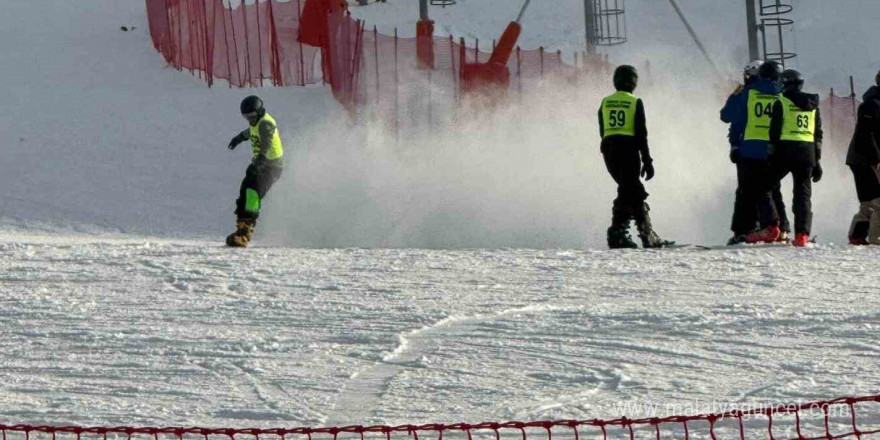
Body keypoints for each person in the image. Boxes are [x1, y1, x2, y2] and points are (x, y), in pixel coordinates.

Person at [598, 65, 673, 249]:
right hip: (628, 150)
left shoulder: (605, 102)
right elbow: (641, 134)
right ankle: (618, 233)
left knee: (632, 191)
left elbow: (602, 130)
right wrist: (647, 161)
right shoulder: (635, 101)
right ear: (633, 82)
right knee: (630, 191)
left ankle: (645, 235)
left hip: (609, 151)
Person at [747, 69, 823, 247]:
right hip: (807, 154)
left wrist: (770, 154)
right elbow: (817, 134)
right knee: (803, 195)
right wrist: (817, 161)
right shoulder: (813, 105)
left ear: (785, 83)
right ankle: (802, 234)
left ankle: (772, 226)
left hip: (785, 151)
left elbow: (774, 132)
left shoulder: (781, 101)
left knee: (762, 185)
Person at [721, 60, 791, 244]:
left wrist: (734, 145)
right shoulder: (783, 94)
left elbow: (728, 116)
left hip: (749, 149)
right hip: (775, 150)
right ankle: (782, 229)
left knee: (746, 191)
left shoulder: (748, 93)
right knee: (773, 189)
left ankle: (745, 230)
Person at [225, 95, 284, 247]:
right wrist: (239, 137)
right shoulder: (257, 122)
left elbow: (266, 142)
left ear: (259, 111)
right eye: (246, 116)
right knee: (245, 191)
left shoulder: (266, 123)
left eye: (251, 116)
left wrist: (262, 159)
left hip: (271, 166)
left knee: (253, 193)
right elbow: (252, 131)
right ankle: (241, 228)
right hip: (260, 164)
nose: (249, 119)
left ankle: (246, 233)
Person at [845, 72, 880, 245]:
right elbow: (866, 134)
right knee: (877, 200)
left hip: (866, 158)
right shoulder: (871, 104)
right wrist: (876, 159)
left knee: (868, 201)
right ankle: (876, 239)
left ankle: (857, 236)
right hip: (863, 158)